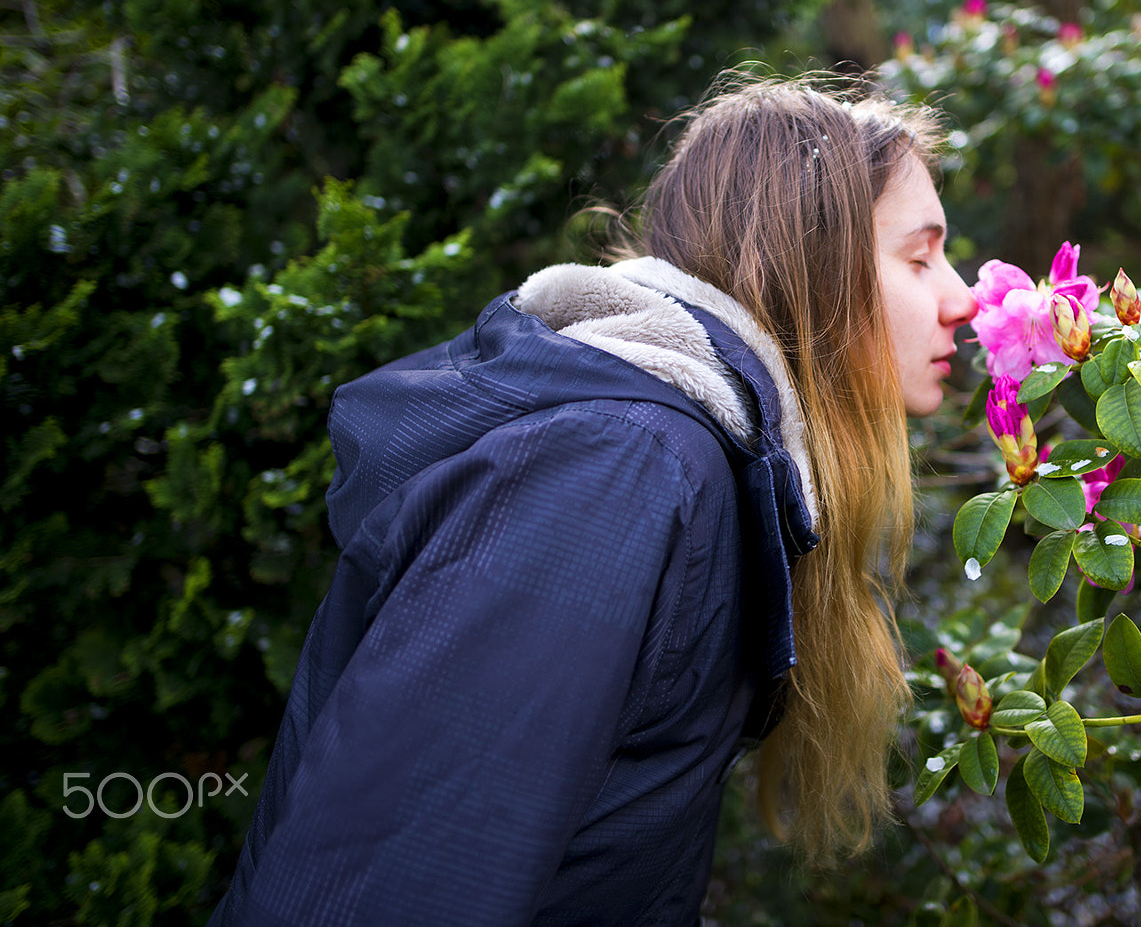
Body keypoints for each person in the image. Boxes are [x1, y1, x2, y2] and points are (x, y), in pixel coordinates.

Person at [207, 76, 977, 926]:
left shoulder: (696, 463)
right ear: (808, 266)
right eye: (919, 256)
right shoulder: (619, 471)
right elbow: (381, 886)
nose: (963, 296)